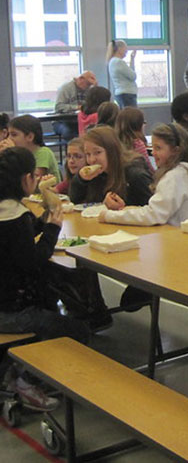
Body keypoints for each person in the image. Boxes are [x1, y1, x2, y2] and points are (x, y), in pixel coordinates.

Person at [0, 147, 89, 411]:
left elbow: (17, 243)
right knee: (78, 331)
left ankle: (13, 368)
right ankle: (25, 380)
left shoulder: (9, 211)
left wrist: (42, 221)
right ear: (25, 179)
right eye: (34, 176)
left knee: (52, 300)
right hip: (10, 310)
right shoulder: (14, 217)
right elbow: (33, 261)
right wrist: (53, 229)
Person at [99, 123, 188, 226]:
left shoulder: (174, 177)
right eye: (153, 147)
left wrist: (109, 216)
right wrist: (125, 210)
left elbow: (154, 215)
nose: (153, 152)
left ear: (176, 150)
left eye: (158, 148)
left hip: (178, 239)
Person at [69, 125, 152, 207]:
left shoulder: (135, 174)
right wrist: (81, 179)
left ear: (112, 151)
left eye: (97, 152)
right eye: (88, 154)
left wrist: (122, 209)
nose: (92, 160)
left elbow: (154, 211)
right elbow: (75, 201)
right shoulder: (96, 175)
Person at [5, 115, 61, 180]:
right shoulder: (22, 155)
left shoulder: (43, 152)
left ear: (30, 137)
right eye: (8, 134)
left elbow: (31, 179)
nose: (9, 138)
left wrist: (12, 154)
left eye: (14, 135)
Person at [53, 71, 98, 140]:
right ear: (81, 79)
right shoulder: (66, 88)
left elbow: (95, 105)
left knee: (94, 132)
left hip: (79, 120)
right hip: (62, 121)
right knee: (69, 133)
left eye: (90, 85)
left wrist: (95, 87)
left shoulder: (89, 89)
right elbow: (58, 107)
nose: (88, 87)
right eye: (87, 84)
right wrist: (77, 107)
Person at [114, 107, 154, 173]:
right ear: (138, 125)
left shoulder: (114, 142)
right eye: (144, 122)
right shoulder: (138, 144)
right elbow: (149, 169)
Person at [106, 39, 137, 108]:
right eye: (125, 49)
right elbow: (133, 76)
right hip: (127, 94)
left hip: (120, 93)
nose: (126, 51)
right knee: (131, 117)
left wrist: (132, 59)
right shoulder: (119, 62)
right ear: (119, 49)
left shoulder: (112, 61)